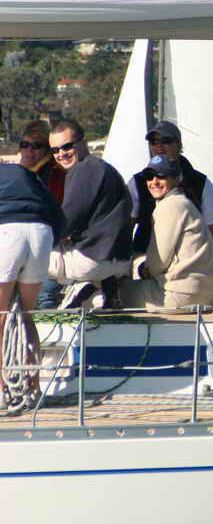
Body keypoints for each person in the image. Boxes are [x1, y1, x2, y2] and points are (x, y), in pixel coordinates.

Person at [119, 156, 213, 310]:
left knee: (114, 293)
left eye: (161, 176)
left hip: (181, 294)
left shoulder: (170, 205)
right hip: (208, 292)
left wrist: (141, 267)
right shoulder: (184, 202)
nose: (154, 182)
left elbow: (158, 263)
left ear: (177, 179)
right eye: (149, 176)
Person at [0, 163, 65, 406]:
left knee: (1, 316)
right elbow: (58, 214)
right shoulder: (25, 174)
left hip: (7, 232)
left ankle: (1, 391)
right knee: (25, 315)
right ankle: (33, 388)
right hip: (40, 232)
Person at [47, 120, 132, 307]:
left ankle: (76, 287)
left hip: (91, 259)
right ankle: (98, 294)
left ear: (83, 143)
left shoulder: (84, 169)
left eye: (67, 146)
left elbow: (66, 222)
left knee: (21, 254)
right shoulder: (109, 170)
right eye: (54, 150)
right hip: (120, 261)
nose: (61, 154)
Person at [127, 120, 213, 252]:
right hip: (145, 257)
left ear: (179, 144)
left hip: (188, 259)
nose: (159, 145)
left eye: (166, 140)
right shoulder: (137, 182)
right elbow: (126, 228)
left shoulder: (201, 183)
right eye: (153, 141)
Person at [17, 121, 65, 309]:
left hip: (47, 247)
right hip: (21, 246)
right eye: (25, 144)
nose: (29, 150)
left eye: (36, 146)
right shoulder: (19, 173)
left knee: (45, 298)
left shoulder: (55, 174)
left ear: (47, 150)